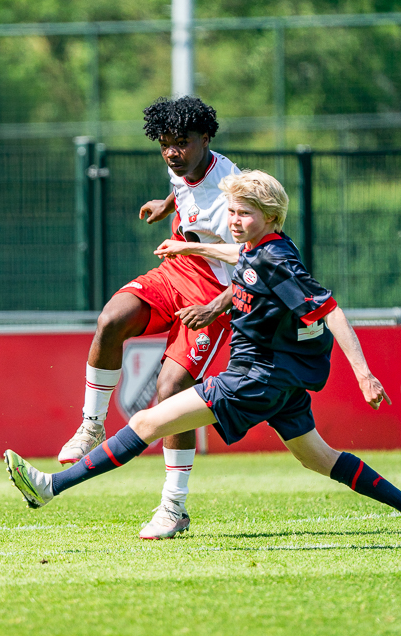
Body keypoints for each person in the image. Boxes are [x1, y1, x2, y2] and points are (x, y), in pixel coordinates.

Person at [6, 170, 401, 549]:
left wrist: (365, 375)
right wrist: (191, 249)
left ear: (271, 218)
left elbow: (329, 310)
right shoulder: (264, 247)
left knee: (145, 423)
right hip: (282, 383)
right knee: (319, 457)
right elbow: (241, 256)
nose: (234, 222)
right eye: (232, 212)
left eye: (245, 214)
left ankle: (49, 488)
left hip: (253, 379)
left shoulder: (278, 261)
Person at [56, 96, 239, 539]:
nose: (173, 152)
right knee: (111, 320)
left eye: (182, 143)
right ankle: (91, 425)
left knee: (172, 393)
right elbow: (186, 192)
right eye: (165, 145)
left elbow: (250, 261)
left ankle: (173, 507)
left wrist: (214, 307)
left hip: (216, 293)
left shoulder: (234, 191)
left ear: (206, 139)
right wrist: (166, 204)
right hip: (175, 270)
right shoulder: (179, 169)